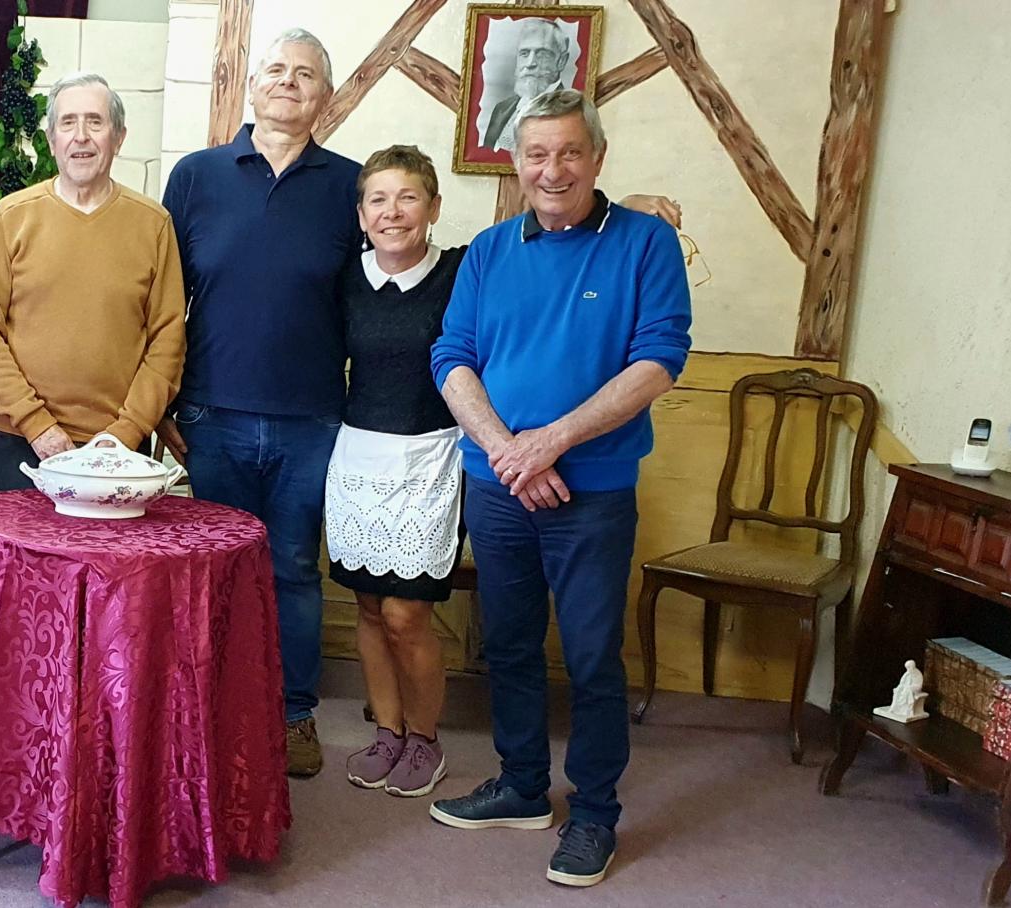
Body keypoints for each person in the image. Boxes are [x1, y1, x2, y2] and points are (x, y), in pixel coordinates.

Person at [331, 146, 680, 801]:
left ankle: (453, 752)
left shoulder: (466, 262)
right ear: (360, 213)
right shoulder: (348, 276)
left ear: (435, 208)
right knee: (379, 611)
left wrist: (629, 207)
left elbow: (565, 224)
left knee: (418, 616)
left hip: (444, 459)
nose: (392, 212)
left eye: (408, 197)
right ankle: (407, 740)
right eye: (377, 199)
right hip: (372, 460)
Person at [428, 89, 693, 888]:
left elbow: (658, 360)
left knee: (590, 656)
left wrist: (552, 443)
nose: (553, 169)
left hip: (595, 493)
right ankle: (520, 785)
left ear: (597, 158)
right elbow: (452, 357)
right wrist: (511, 452)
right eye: (536, 154)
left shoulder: (645, 243)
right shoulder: (487, 250)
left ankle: (596, 815)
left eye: (569, 152)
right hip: (497, 484)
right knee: (505, 644)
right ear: (516, 163)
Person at [159, 28, 356, 777]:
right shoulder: (197, 176)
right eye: (275, 69)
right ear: (251, 86)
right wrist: (161, 405)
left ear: (324, 96)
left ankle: (293, 715)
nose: (287, 82)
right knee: (210, 569)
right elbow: (162, 300)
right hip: (212, 416)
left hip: (313, 419)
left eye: (305, 73)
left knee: (294, 570)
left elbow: (397, 277)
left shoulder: (350, 185)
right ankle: (205, 706)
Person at [0, 71, 185, 490]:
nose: (80, 136)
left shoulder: (153, 225)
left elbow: (168, 340)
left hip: (120, 452)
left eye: (95, 122)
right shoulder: (11, 218)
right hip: (20, 444)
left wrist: (126, 432)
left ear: (118, 138)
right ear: (51, 140)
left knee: (111, 559)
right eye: (68, 123)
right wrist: (36, 424)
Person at [483, 18, 571, 153]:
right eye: (524, 53)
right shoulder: (502, 109)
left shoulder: (570, 114)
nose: (530, 63)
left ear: (561, 61)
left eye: (542, 54)